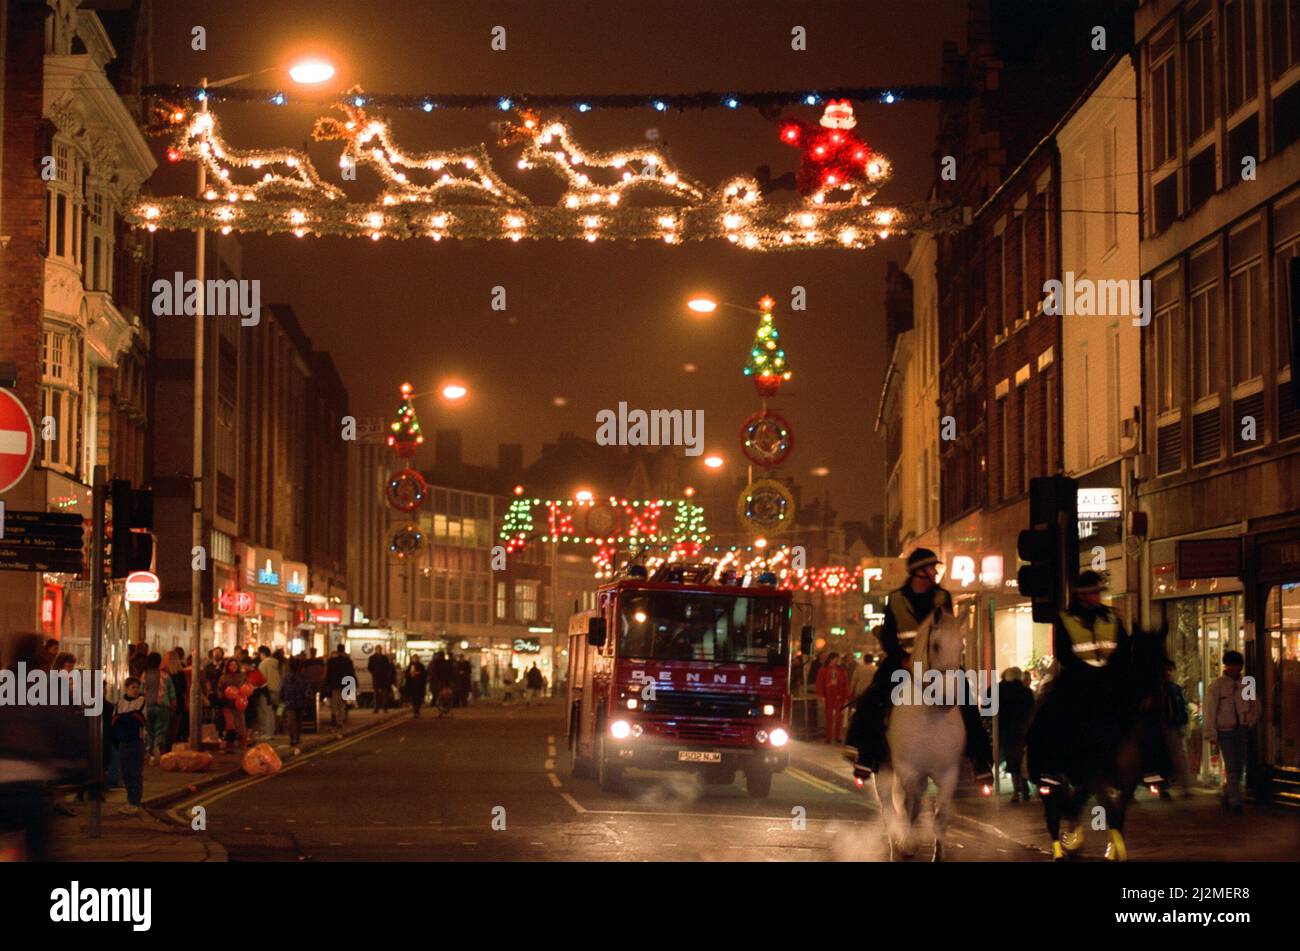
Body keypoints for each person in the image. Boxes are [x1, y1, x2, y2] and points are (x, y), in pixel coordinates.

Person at [846, 547, 993, 783]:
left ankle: (979, 759)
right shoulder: (895, 599)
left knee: (966, 696)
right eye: (931, 567)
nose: (936, 572)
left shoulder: (942, 597)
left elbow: (948, 630)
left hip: (936, 663)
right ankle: (866, 753)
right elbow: (888, 636)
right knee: (876, 695)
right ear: (919, 572)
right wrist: (901, 658)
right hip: (902, 662)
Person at [1027, 570, 1134, 789]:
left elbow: (1123, 647)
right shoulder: (1065, 618)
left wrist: (1115, 671)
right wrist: (1085, 672)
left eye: (1098, 593)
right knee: (1048, 713)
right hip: (1077, 679)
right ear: (1083, 595)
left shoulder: (1113, 616)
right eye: (1094, 593)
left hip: (1109, 679)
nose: (1098, 597)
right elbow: (1064, 653)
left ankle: (1151, 766)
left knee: (1142, 709)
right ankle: (1049, 768)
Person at [1204, 650, 1260, 815]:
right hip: (1225, 731)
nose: (1236, 669)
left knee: (1239, 765)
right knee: (1232, 766)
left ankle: (1228, 793)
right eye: (1232, 665)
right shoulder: (1217, 686)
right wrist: (1211, 734)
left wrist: (1249, 721)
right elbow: (1210, 711)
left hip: (1241, 729)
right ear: (1226, 666)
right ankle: (1236, 802)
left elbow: (1255, 705)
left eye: (1238, 666)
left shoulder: (1245, 684)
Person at [996, 667, 1035, 803]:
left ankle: (1016, 791)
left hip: (1006, 731)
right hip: (1023, 731)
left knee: (1012, 761)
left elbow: (987, 704)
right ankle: (1024, 787)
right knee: (1022, 759)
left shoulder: (999, 690)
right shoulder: (1027, 692)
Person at [111, 677, 148, 815]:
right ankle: (130, 801)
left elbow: (140, 719)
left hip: (136, 741)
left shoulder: (141, 701)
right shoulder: (120, 702)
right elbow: (115, 720)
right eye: (133, 687)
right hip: (123, 742)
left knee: (135, 773)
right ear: (126, 688)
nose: (136, 690)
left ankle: (135, 802)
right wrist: (129, 717)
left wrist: (124, 718)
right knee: (126, 773)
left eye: (137, 687)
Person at [1159, 660, 1191, 800]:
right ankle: (1164, 787)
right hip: (1161, 728)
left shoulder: (1175, 689)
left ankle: (1185, 786)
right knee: (1164, 758)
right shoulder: (1157, 689)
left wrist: (1183, 722)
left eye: (1170, 670)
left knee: (1179, 757)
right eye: (1166, 670)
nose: (1168, 673)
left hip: (1174, 726)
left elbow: (1182, 707)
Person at [140, 652, 175, 764]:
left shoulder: (144, 675)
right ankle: (158, 748)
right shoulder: (165, 676)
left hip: (148, 706)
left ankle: (150, 753)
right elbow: (172, 694)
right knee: (161, 730)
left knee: (150, 731)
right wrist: (173, 707)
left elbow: (140, 691)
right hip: (162, 707)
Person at [279, 658, 313, 755]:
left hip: (289, 702)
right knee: (298, 721)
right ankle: (297, 737)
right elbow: (307, 690)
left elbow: (281, 689)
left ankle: (292, 737)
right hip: (300, 702)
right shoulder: (303, 677)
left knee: (291, 721)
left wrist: (282, 699)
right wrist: (307, 699)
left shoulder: (286, 677)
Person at [815, 652, 850, 744]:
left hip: (839, 696)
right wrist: (821, 695)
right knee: (829, 717)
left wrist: (846, 696)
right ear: (831, 659)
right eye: (836, 659)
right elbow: (819, 683)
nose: (837, 661)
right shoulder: (823, 670)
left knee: (839, 717)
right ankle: (829, 736)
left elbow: (845, 684)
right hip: (828, 696)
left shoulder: (841, 670)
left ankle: (837, 736)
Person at [216, 658, 249, 752]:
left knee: (240, 725)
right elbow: (219, 689)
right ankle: (230, 745)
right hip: (227, 704)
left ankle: (242, 746)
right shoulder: (223, 677)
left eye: (235, 664)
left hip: (240, 704)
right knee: (230, 725)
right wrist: (222, 696)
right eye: (231, 665)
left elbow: (248, 686)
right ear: (227, 666)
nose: (233, 666)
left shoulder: (242, 676)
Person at [325, 644, 357, 727]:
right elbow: (351, 673)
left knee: (335, 703)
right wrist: (353, 685)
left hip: (335, 685)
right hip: (345, 684)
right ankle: (340, 721)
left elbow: (328, 674)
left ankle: (336, 719)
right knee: (343, 704)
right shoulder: (348, 661)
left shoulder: (332, 661)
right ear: (343, 650)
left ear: (338, 650)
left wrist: (327, 685)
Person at [257, 646, 282, 738]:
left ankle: (268, 732)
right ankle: (273, 730)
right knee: (273, 711)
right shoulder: (275, 663)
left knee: (266, 711)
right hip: (276, 690)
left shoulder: (263, 664)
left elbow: (261, 679)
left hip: (267, 690)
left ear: (262, 654)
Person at [368, 646, 394, 713]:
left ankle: (384, 708)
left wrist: (386, 674)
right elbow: (369, 667)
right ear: (375, 650)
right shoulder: (372, 658)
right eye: (378, 649)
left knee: (384, 694)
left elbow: (388, 667)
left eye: (380, 649)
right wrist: (374, 673)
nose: (379, 650)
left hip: (383, 678)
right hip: (376, 678)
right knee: (376, 694)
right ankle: (376, 708)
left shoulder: (384, 658)